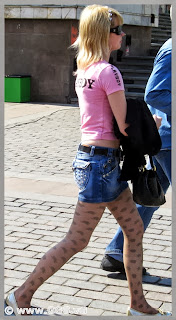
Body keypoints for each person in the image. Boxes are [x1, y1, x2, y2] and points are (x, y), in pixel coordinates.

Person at [5, 5, 171, 316]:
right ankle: (20, 296)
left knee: (133, 229)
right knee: (76, 240)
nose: (122, 35)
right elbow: (124, 127)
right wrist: (156, 126)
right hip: (102, 165)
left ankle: (138, 305)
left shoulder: (86, 70)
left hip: (94, 162)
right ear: (103, 35)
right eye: (117, 30)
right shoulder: (109, 72)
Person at [101, 10, 172, 278]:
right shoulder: (172, 49)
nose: (122, 35)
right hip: (168, 138)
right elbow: (154, 93)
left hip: (164, 139)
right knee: (147, 198)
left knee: (149, 198)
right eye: (117, 31)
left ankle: (117, 253)